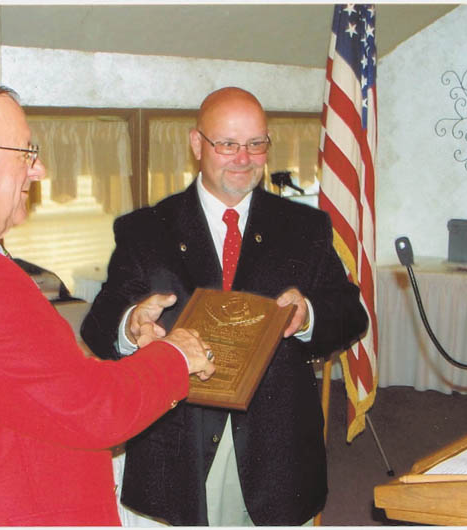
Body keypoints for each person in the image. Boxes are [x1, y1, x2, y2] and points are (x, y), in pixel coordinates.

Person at [0, 79, 215, 526]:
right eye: (26, 154)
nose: (40, 171)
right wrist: (174, 356)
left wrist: (132, 356)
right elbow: (92, 409)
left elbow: (31, 385)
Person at [80, 87, 368, 526]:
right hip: (177, 444)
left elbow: (351, 314)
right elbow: (99, 323)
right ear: (197, 144)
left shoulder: (305, 227)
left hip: (276, 448)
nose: (244, 158)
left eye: (256, 144)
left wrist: (308, 314)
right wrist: (129, 325)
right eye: (228, 144)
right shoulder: (147, 229)